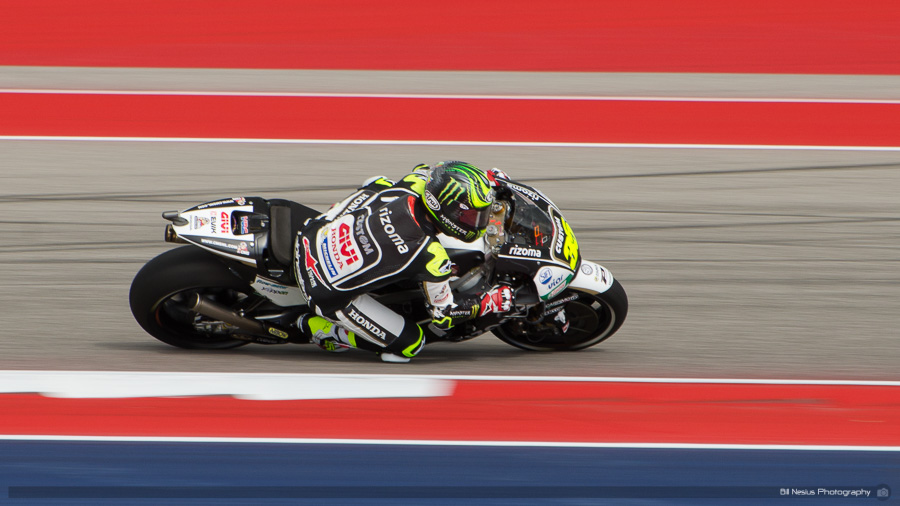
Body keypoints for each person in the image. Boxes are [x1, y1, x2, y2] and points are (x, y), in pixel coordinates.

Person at [293, 161, 514, 363]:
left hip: (311, 234)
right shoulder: (432, 256)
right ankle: (323, 330)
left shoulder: (415, 183)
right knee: (410, 345)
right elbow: (444, 315)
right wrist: (488, 303)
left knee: (377, 184)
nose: (479, 222)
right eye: (470, 216)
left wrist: (486, 182)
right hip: (323, 290)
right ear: (445, 210)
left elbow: (429, 170)